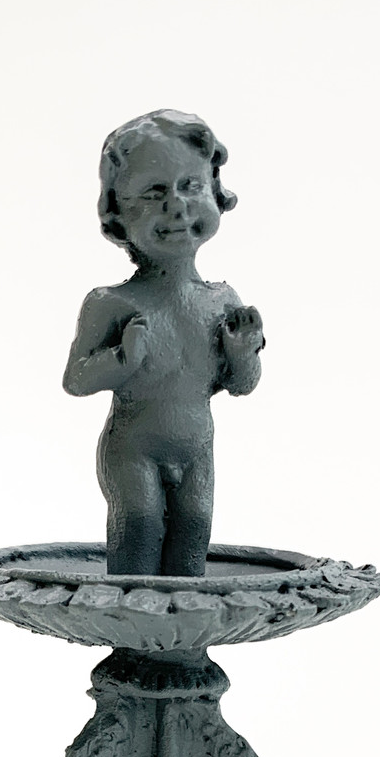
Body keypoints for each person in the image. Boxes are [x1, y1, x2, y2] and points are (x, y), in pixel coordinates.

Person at [63, 110, 265, 576]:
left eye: (190, 186)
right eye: (153, 193)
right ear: (117, 213)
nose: (176, 206)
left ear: (216, 194)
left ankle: (183, 621)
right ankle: (129, 613)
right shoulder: (112, 304)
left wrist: (242, 354)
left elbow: (242, 385)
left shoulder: (221, 302)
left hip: (197, 451)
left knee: (193, 534)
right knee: (139, 528)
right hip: (134, 452)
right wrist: (123, 358)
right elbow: (76, 380)